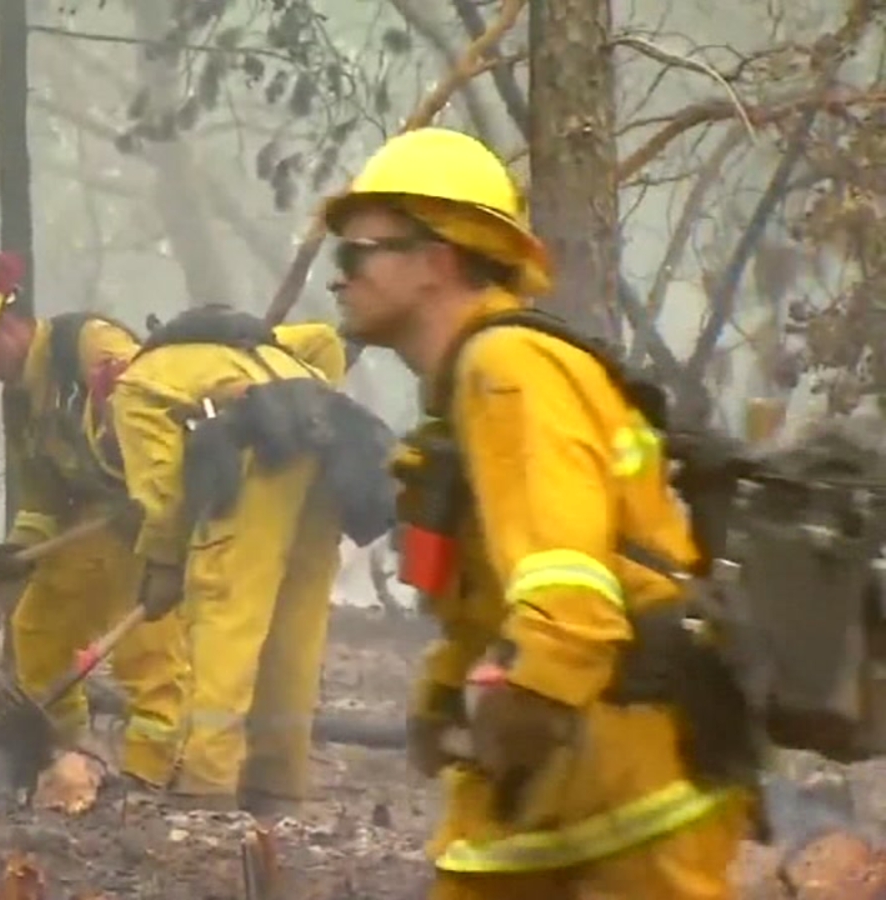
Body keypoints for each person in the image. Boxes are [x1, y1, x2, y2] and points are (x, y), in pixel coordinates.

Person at [319, 126, 751, 898]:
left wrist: (522, 708)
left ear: (436, 261)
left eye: (358, 254)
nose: (339, 279)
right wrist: (446, 688)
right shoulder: (478, 381)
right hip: (575, 779)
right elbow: (495, 589)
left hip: (622, 784)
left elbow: (568, 589)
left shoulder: (508, 369)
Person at [0, 251, 187, 789]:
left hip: (150, 521)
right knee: (37, 627)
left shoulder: (87, 345)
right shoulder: (18, 401)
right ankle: (71, 757)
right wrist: (18, 548)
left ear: (7, 323)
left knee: (147, 653)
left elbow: (159, 419)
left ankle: (150, 776)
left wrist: (152, 503)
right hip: (93, 526)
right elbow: (40, 496)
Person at [109, 304, 392, 813]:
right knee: (294, 627)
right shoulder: (235, 348)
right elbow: (325, 342)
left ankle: (207, 780)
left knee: (228, 615)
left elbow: (162, 494)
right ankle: (275, 781)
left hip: (261, 457)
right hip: (328, 442)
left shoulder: (133, 387)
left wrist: (164, 563)